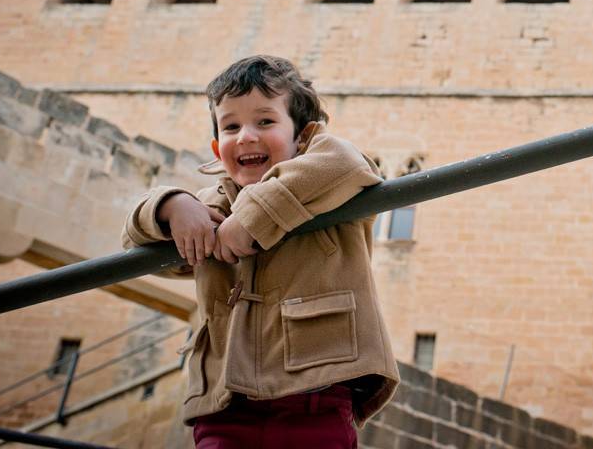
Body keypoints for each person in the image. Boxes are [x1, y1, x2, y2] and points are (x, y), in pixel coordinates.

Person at [121, 55, 398, 448]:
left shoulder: (332, 179)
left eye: (265, 121)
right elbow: (133, 237)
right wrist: (171, 206)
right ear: (218, 149)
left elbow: (348, 162)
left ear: (303, 137)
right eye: (231, 126)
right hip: (223, 406)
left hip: (315, 393)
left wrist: (257, 214)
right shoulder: (209, 205)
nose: (246, 135)